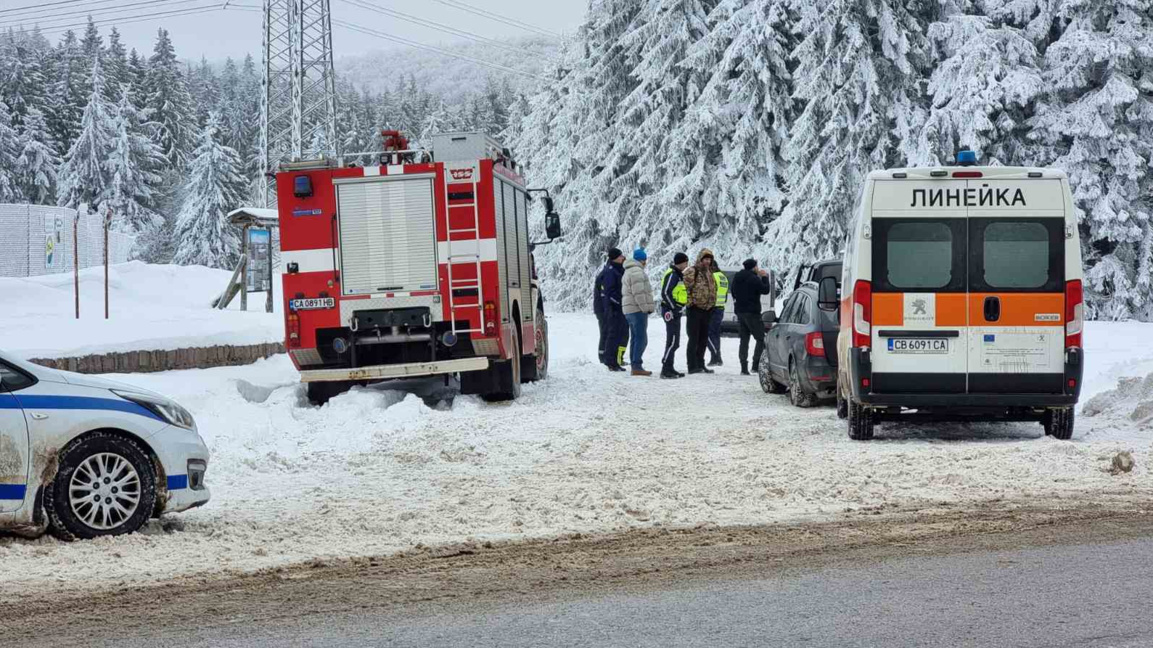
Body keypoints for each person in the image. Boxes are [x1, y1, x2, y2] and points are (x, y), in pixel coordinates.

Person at [731, 258, 774, 376]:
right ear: (753, 267)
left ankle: (743, 367)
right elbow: (765, 290)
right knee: (760, 338)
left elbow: (733, 291)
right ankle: (755, 365)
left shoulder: (737, 277)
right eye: (756, 266)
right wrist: (764, 277)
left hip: (740, 311)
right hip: (753, 312)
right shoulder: (754, 278)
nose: (758, 268)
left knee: (744, 339)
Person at [682, 249, 718, 374]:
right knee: (693, 338)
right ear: (700, 259)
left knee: (703, 339)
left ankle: (700, 363)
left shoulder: (710, 272)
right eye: (705, 259)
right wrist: (690, 303)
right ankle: (692, 366)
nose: (707, 262)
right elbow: (685, 288)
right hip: (695, 310)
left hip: (707, 310)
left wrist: (712, 304)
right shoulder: (692, 271)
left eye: (709, 259)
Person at [622, 248, 656, 377]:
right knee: (641, 338)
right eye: (645, 260)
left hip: (629, 310)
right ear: (641, 260)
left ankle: (635, 365)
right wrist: (645, 308)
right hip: (636, 310)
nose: (646, 262)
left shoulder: (628, 271)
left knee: (635, 338)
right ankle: (636, 365)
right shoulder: (637, 272)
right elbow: (639, 293)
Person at [659, 252, 689, 379]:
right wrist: (674, 307)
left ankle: (670, 367)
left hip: (676, 311)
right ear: (681, 263)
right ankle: (665, 368)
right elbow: (665, 293)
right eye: (686, 262)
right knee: (673, 342)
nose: (687, 265)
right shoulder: (672, 275)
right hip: (670, 311)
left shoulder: (678, 275)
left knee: (674, 341)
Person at [600, 248, 629, 371]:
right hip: (614, 309)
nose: (623, 257)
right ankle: (610, 362)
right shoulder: (610, 272)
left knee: (620, 334)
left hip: (619, 308)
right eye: (620, 255)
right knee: (614, 335)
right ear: (615, 257)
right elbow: (609, 292)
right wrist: (619, 303)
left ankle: (615, 360)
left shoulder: (618, 269)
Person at [707, 259, 729, 366]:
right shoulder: (722, 277)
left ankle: (715, 355)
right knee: (715, 334)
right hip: (720, 308)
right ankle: (717, 357)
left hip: (712, 308)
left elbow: (710, 293)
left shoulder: (712, 277)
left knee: (707, 333)